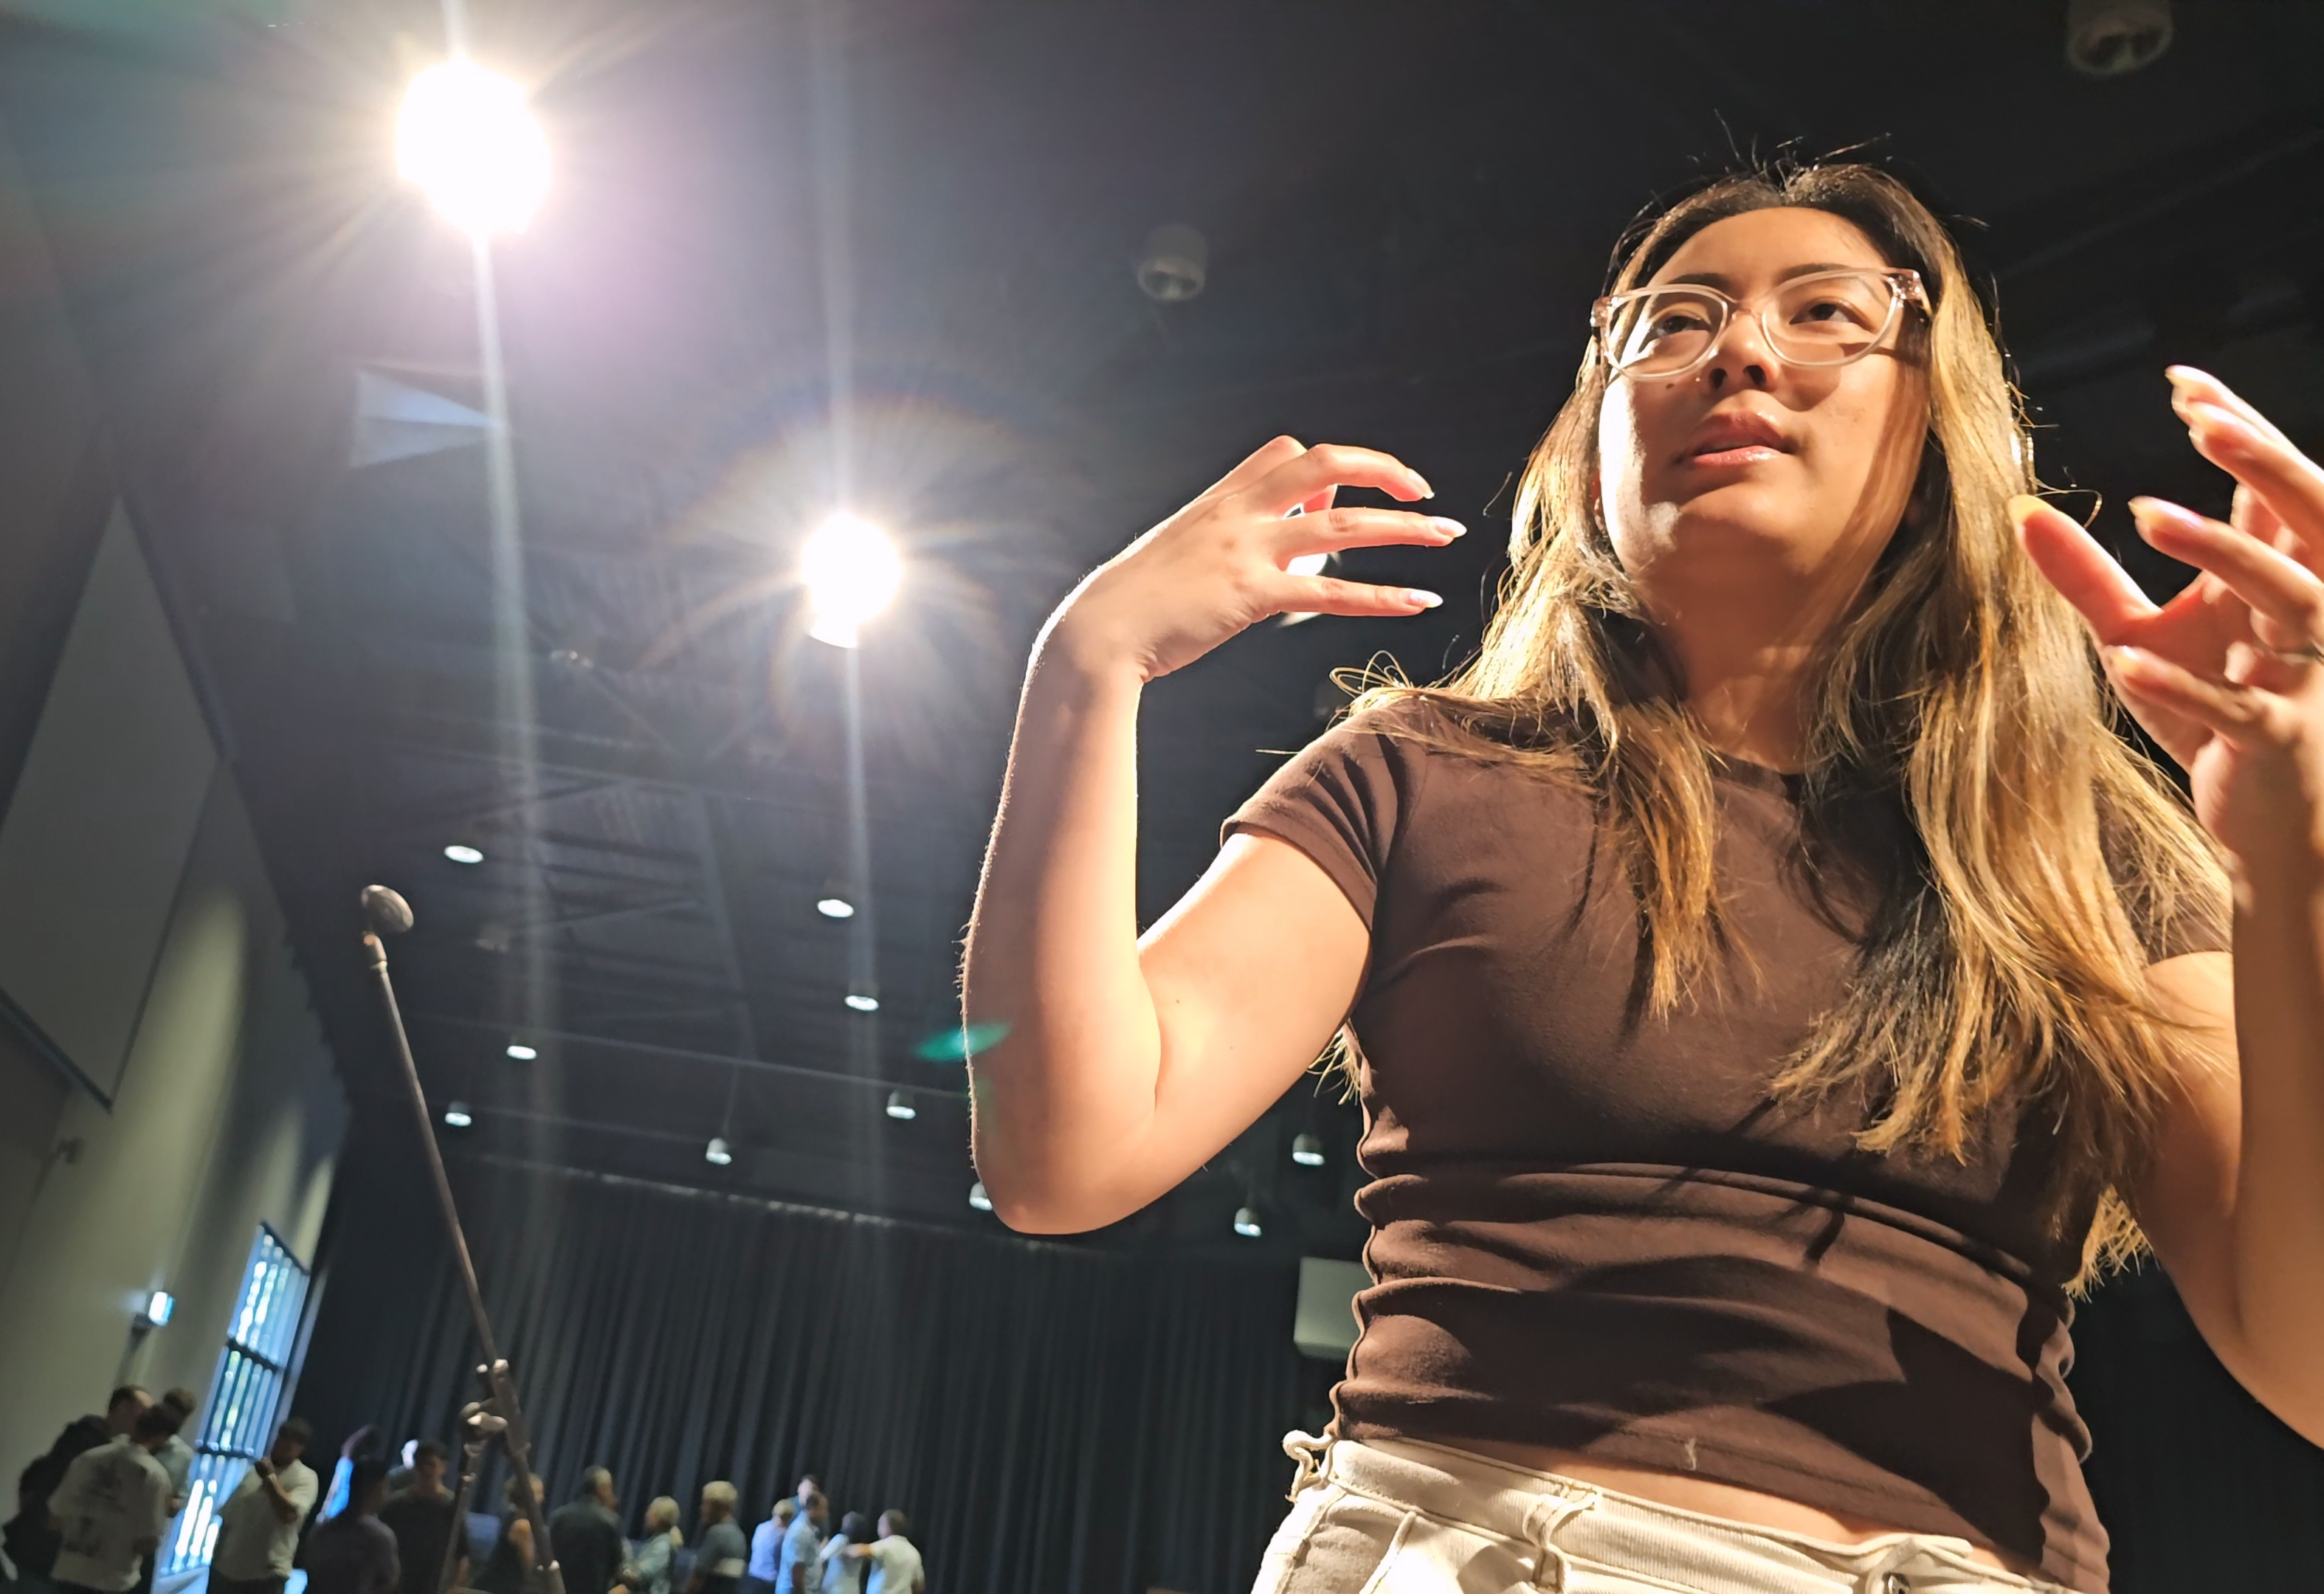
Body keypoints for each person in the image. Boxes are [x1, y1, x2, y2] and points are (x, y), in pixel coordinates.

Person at [966, 155, 2324, 1594]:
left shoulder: (2082, 846)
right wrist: (1087, 663)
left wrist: (2289, 862)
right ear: (1589, 445)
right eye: (1670, 323)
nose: (1739, 350)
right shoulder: (1419, 775)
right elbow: (1066, 1159)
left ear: (1935, 420)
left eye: (1826, 312)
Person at [0, 1387, 154, 1587]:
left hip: (41, 1545)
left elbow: (35, 1474)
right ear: (123, 1407)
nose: (145, 1421)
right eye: (142, 1412)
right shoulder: (89, 1442)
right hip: (43, 1549)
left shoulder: (91, 1439)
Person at [46, 1404, 182, 1593]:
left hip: (69, 1572)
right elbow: (146, 1542)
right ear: (163, 1437)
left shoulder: (89, 1458)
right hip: (111, 1581)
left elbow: (55, 1518)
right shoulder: (154, 1476)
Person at [209, 1418, 320, 1594]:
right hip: (228, 1571)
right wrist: (216, 1561)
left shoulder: (305, 1477)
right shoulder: (254, 1475)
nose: (284, 1445)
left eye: (293, 1442)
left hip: (266, 1576)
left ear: (301, 1448)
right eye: (282, 1438)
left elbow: (290, 1514)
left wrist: (269, 1479)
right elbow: (229, 1518)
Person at [131, 1389, 201, 1594]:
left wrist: (170, 1502)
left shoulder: (182, 1455)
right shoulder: (130, 1439)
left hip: (147, 1534)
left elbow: (179, 1498)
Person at [300, 1457, 404, 1594]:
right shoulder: (380, 1537)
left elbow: (310, 1573)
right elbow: (389, 1584)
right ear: (378, 1488)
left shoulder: (321, 1530)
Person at [376, 1441, 455, 1594]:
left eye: (431, 1465)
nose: (426, 1470)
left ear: (444, 1467)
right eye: (420, 1465)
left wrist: (450, 1587)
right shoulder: (397, 1504)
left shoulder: (451, 1507)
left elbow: (461, 1555)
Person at [546, 1466, 624, 1594]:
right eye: (610, 1487)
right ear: (602, 1489)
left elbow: (547, 1554)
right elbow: (616, 1565)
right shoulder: (610, 1521)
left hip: (557, 1589)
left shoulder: (558, 1516)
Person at [683, 1481, 748, 1594]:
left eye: (705, 1504)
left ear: (717, 1507)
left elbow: (697, 1579)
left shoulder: (716, 1534)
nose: (702, 1509)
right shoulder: (740, 1536)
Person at [837, 1513, 917, 1594]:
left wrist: (841, 1549)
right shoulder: (914, 1552)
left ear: (887, 1526)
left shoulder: (886, 1545)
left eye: (880, 1524)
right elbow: (918, 1585)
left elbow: (858, 1552)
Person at [624, 1496, 683, 1594]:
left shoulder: (663, 1545)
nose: (646, 1515)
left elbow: (640, 1575)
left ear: (661, 1517)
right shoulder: (657, 1540)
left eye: (650, 1511)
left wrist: (621, 1571)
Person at [773, 1493, 827, 1594]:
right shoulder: (801, 1532)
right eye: (822, 1509)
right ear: (812, 1509)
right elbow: (796, 1571)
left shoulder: (809, 1531)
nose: (825, 1514)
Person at [742, 1499, 792, 1593]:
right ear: (789, 1518)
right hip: (769, 1583)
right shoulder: (785, 1536)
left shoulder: (761, 1527)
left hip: (751, 1578)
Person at [818, 1514, 870, 1594]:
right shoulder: (862, 1547)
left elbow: (821, 1557)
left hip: (835, 1590)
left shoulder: (841, 1540)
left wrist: (822, 1547)